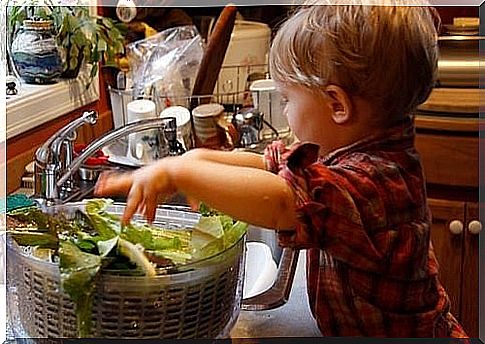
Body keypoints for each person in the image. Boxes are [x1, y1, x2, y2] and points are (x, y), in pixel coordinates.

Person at [95, 0, 469, 338]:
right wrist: (191, 161)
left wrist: (179, 176)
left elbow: (280, 201)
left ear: (337, 104)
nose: (285, 111)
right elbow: (269, 167)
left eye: (288, 99)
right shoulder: (352, 151)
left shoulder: (372, 182)